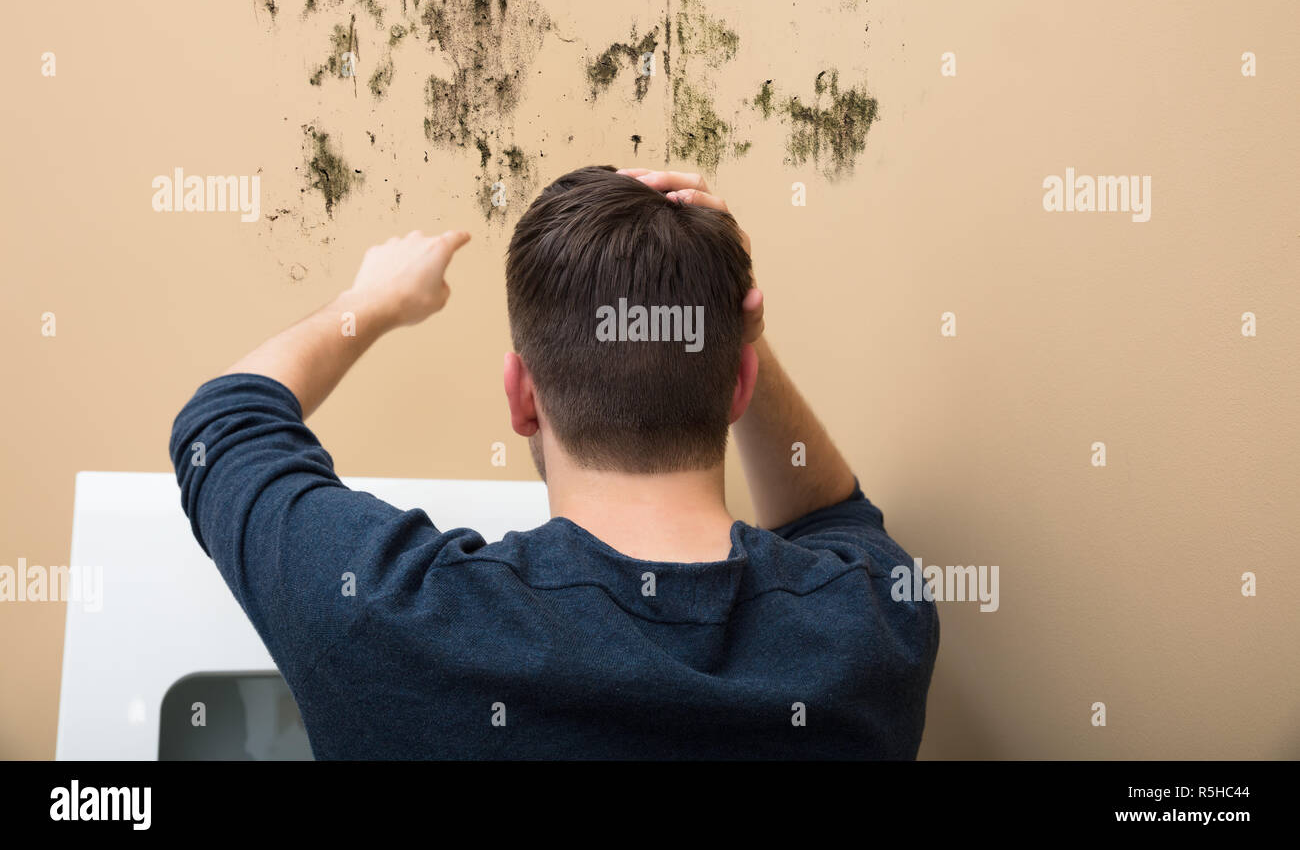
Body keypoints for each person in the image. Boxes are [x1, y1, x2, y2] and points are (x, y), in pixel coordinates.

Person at [169, 165, 939, 759]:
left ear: (522, 399)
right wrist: (735, 322)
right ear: (739, 382)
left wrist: (368, 303)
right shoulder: (870, 631)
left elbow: (223, 426)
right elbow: (831, 517)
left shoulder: (395, 617)